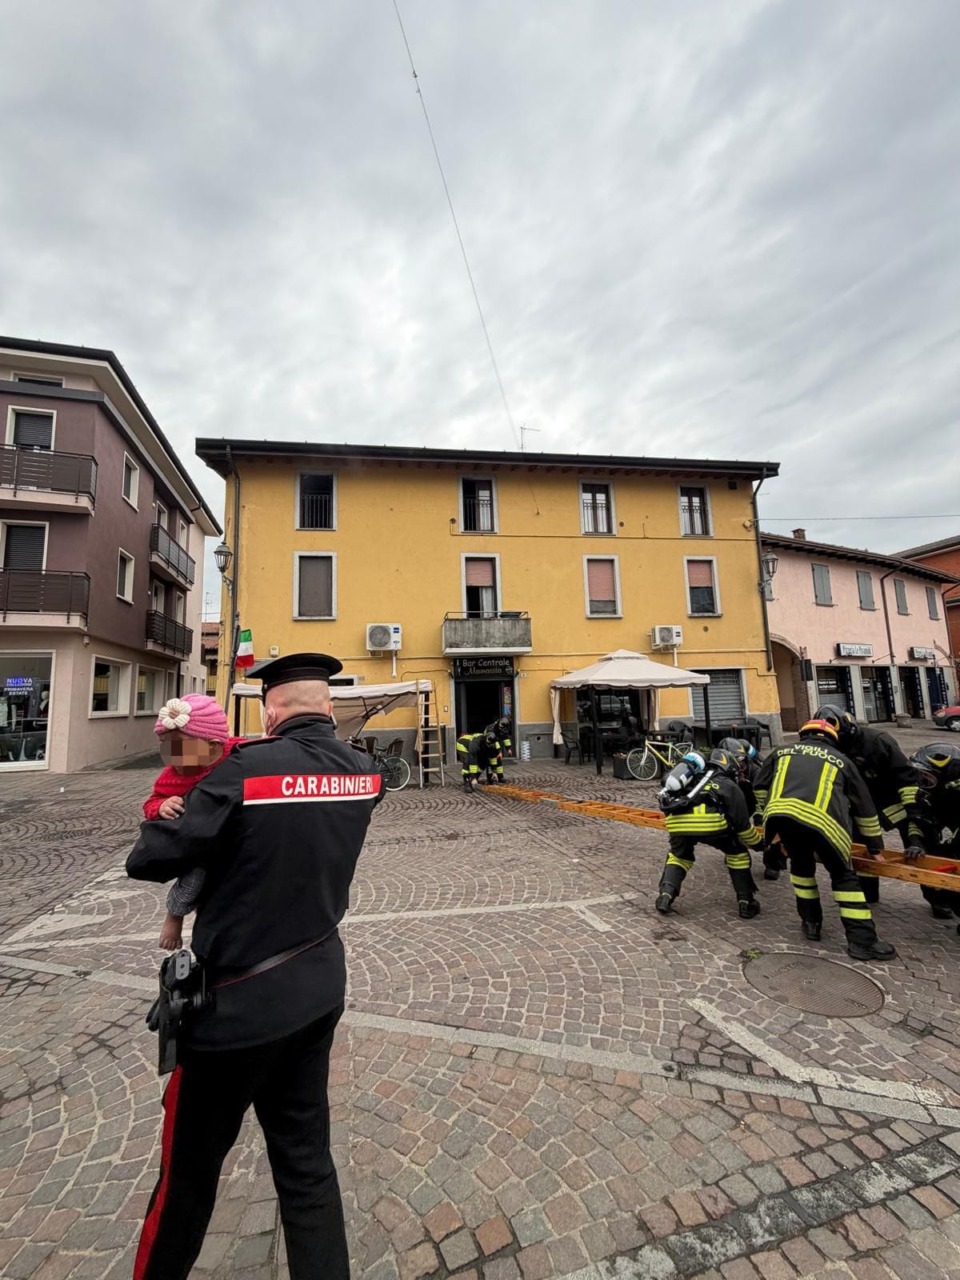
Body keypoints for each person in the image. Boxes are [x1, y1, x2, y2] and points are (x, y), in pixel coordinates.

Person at [127, 653, 385, 1280]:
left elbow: (152, 858)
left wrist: (172, 805)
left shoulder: (244, 769)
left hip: (232, 1012)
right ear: (327, 706)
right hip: (317, 990)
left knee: (186, 1181)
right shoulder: (366, 772)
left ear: (270, 710)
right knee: (307, 1171)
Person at [754, 719, 896, 961]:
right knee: (843, 878)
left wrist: (766, 820)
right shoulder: (842, 761)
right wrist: (874, 847)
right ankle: (863, 942)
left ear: (803, 734)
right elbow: (864, 807)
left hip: (784, 819)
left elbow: (759, 786)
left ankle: (811, 924)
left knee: (801, 869)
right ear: (832, 739)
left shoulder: (780, 752)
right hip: (824, 824)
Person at [143, 695, 243, 950]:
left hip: (237, 833)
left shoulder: (239, 755)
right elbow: (152, 802)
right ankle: (174, 915)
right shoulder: (172, 775)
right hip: (201, 840)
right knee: (195, 872)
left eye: (179, 745)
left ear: (212, 745)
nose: (169, 753)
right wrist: (161, 806)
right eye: (164, 744)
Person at [813, 704, 928, 909]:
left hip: (892, 803)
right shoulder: (831, 745)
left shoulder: (877, 741)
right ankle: (868, 892)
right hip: (859, 808)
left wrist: (914, 814)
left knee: (917, 844)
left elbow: (907, 777)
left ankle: (937, 898)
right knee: (864, 849)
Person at [655, 747, 763, 919]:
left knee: (679, 856)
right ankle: (746, 903)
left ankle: (665, 897)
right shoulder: (728, 785)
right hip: (714, 826)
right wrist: (759, 845)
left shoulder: (693, 780)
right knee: (738, 855)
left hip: (677, 825)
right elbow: (743, 827)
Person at [717, 735, 785, 882]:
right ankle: (734, 852)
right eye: (735, 763)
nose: (740, 766)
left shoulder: (756, 770)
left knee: (771, 828)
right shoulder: (722, 771)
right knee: (729, 822)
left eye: (741, 762)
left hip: (763, 799)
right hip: (740, 800)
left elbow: (764, 793)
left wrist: (760, 817)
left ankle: (772, 865)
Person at [910, 742, 960, 921]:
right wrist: (916, 842)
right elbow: (919, 820)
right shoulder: (928, 795)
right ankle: (939, 900)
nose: (922, 781)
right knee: (931, 855)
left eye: (927, 776)